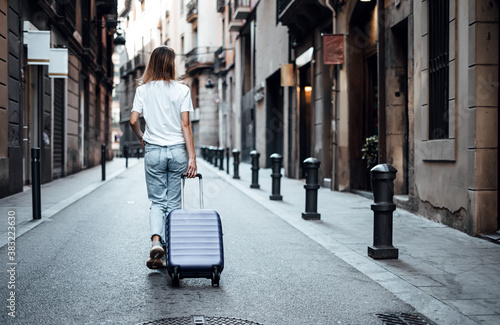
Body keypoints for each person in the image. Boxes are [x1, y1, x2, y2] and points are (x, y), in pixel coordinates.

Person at [129, 46, 197, 269]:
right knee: (173, 202)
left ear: (152, 63)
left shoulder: (143, 90)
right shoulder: (182, 90)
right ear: (171, 64)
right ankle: (173, 246)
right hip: (177, 150)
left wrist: (142, 137)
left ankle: (156, 241)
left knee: (157, 201)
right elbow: (185, 124)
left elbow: (133, 120)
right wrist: (192, 158)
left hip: (154, 151)